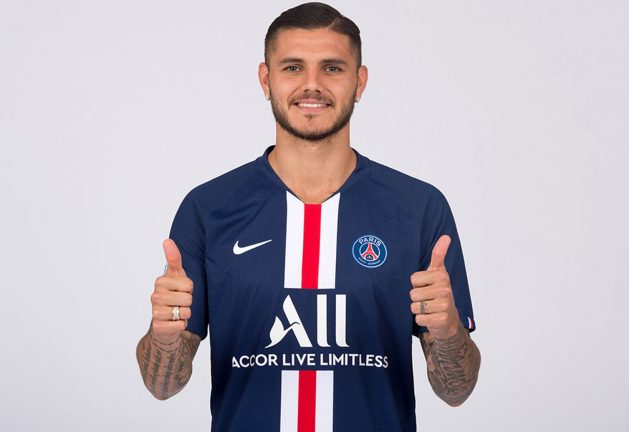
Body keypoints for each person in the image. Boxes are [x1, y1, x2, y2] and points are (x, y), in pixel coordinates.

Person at [135, 2, 480, 430]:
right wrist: (164, 338)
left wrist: (447, 331)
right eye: (293, 67)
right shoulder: (208, 208)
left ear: (360, 81)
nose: (312, 85)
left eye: (332, 68)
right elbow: (161, 387)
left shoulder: (418, 207)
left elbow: (456, 392)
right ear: (266, 79)